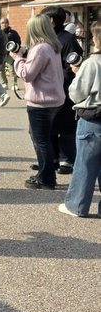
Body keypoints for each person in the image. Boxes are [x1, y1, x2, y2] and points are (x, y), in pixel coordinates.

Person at [12, 14, 65, 189]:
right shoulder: (53, 45)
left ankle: (46, 178)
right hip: (54, 99)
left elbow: (27, 74)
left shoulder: (40, 48)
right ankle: (46, 174)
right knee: (45, 139)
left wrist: (17, 58)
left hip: (41, 101)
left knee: (40, 140)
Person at [59, 20, 101, 217]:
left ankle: (77, 205)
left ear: (96, 40)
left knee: (85, 164)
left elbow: (77, 93)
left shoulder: (92, 63)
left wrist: (77, 74)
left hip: (93, 118)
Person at [42, 6, 83, 176]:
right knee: (48, 126)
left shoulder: (67, 40)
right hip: (48, 91)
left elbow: (71, 67)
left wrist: (56, 80)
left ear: (51, 20)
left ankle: (67, 159)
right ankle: (50, 159)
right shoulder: (45, 39)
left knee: (65, 127)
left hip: (64, 90)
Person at [0, 17, 21, 92]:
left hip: (10, 54)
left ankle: (14, 84)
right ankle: (4, 83)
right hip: (0, 54)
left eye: (5, 23)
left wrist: (15, 50)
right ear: (0, 24)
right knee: (0, 70)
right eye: (2, 23)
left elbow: (18, 42)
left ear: (8, 24)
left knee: (12, 69)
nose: (4, 24)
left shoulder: (13, 33)